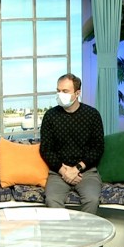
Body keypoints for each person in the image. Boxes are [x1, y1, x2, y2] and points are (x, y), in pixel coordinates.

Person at [39, 73, 105, 215]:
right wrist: (64, 172)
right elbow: (46, 149)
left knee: (92, 200)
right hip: (58, 172)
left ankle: (83, 230)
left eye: (65, 91)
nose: (60, 94)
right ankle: (65, 229)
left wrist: (77, 169)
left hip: (86, 172)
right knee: (52, 199)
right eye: (58, 90)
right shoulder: (50, 116)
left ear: (77, 93)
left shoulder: (92, 115)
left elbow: (98, 148)